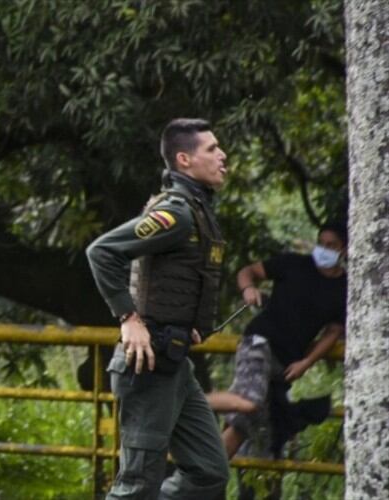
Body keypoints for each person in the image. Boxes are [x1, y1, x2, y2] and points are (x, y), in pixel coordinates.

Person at [87, 118, 230, 499]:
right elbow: (101, 252)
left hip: (176, 364)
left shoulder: (199, 212)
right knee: (137, 487)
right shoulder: (176, 214)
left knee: (209, 473)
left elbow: (177, 279)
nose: (223, 156)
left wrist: (189, 322)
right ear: (184, 160)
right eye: (212, 149)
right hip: (147, 366)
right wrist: (128, 318)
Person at [206, 223, 347, 459]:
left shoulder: (345, 288)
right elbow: (247, 272)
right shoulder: (294, 264)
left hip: (287, 361)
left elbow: (332, 333)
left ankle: (200, 480)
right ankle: (185, 401)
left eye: (331, 245)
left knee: (245, 423)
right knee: (249, 402)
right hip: (259, 341)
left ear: (345, 249)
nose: (324, 249)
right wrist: (248, 288)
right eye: (321, 243)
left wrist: (306, 363)